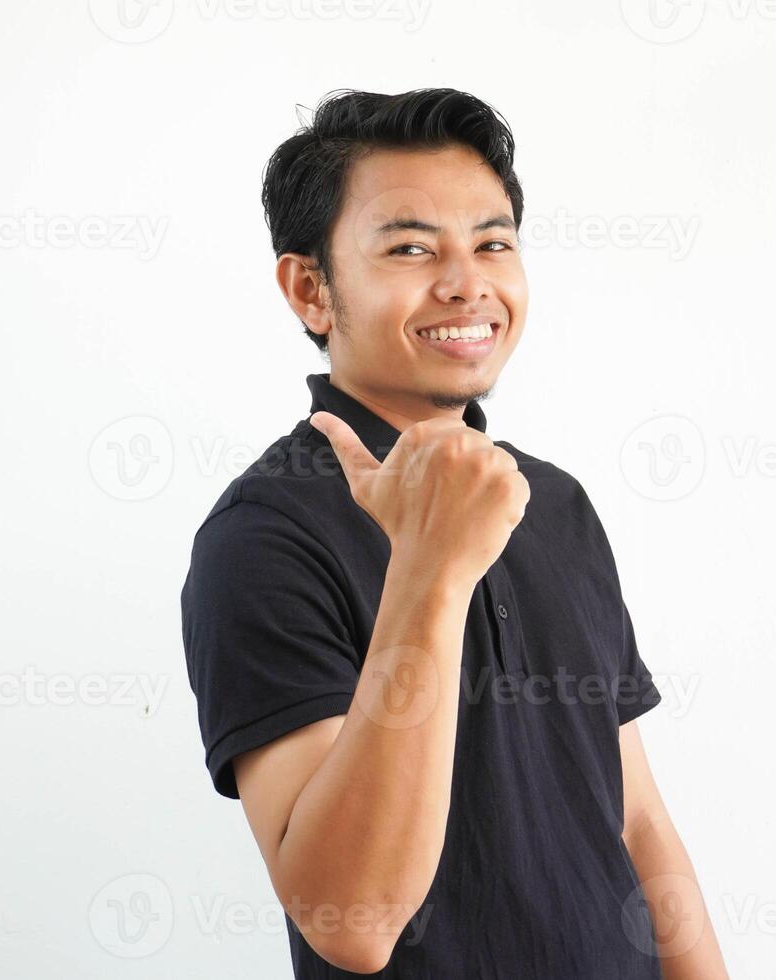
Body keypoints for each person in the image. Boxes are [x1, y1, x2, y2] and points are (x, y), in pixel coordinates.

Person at [181, 87, 728, 979]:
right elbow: (350, 922)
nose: (468, 281)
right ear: (311, 289)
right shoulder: (266, 536)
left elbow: (636, 821)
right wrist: (431, 571)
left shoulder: (553, 504)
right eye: (409, 247)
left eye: (493, 242)